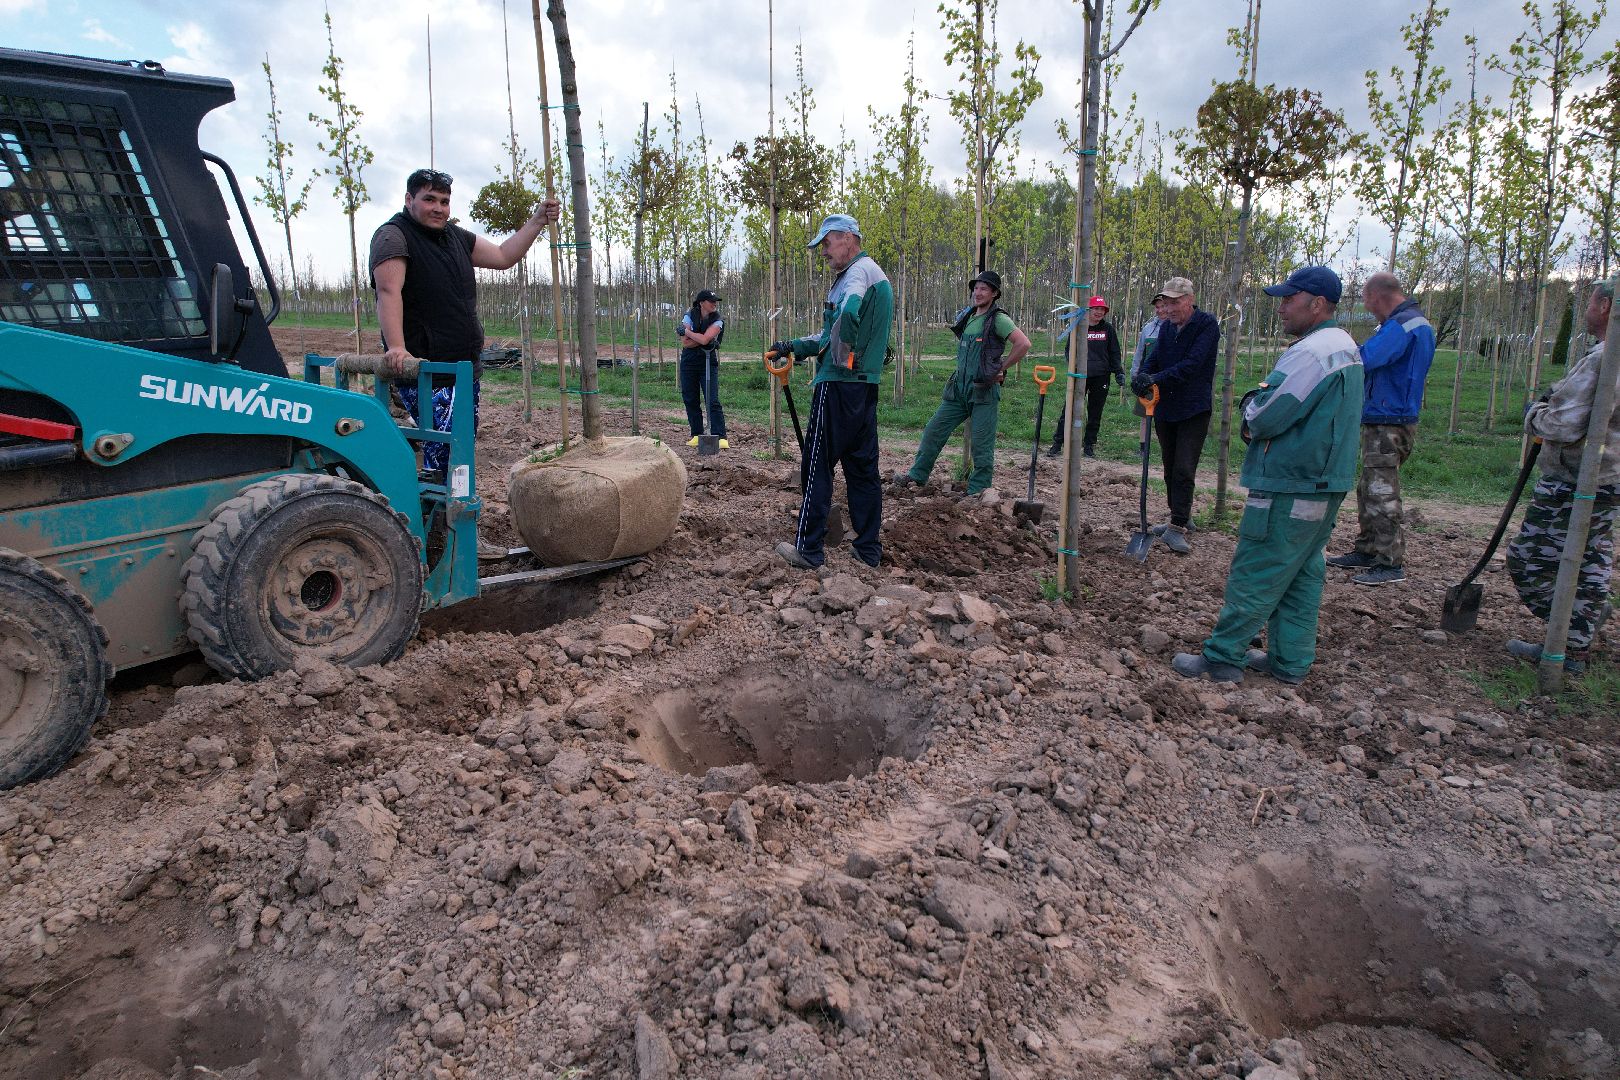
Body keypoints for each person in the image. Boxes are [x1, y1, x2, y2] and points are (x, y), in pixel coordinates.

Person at [1172, 266, 1364, 685]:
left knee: (1257, 568)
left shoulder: (1310, 353)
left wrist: (1248, 406)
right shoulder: (1344, 345)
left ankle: (1222, 658)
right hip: (1324, 481)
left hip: (1290, 481)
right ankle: (1289, 662)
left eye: (1289, 299)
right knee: (1300, 575)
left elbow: (1265, 414)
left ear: (1317, 304)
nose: (1281, 308)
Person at [369, 168, 559, 488]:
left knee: (459, 452)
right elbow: (389, 292)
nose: (438, 208)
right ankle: (441, 522)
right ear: (408, 199)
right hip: (426, 370)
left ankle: (454, 517)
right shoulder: (394, 236)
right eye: (429, 199)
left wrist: (537, 220)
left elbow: (502, 256)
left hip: (463, 369)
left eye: (444, 201)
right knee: (444, 455)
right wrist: (397, 347)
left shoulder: (455, 237)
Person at [1504, 281, 1618, 676]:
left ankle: (1571, 631)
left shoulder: (1604, 359)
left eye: (1588, 303)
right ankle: (1575, 647)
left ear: (1605, 306)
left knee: (1529, 561)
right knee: (1590, 560)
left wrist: (1534, 413)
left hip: (1577, 480)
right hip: (1610, 478)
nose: (1585, 311)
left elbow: (1563, 425)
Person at [769, 214, 893, 570]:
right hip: (865, 389)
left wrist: (839, 359)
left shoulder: (855, 275)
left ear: (848, 237)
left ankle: (808, 549)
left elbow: (848, 317)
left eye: (826, 243)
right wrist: (792, 345)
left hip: (838, 387)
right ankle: (868, 549)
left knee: (817, 466)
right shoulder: (873, 273)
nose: (823, 251)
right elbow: (830, 334)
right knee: (862, 470)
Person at [1325, 271, 1436, 586]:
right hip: (1387, 416)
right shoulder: (1413, 322)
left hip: (1389, 419)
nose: (1367, 306)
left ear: (1377, 296)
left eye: (1365, 299)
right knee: (1369, 486)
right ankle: (1368, 549)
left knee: (1381, 491)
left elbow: (1366, 359)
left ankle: (1389, 561)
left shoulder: (1402, 326)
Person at [896, 270, 1031, 492]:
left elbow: (1023, 344)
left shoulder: (998, 319)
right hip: (958, 390)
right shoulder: (969, 316)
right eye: (976, 288)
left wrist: (1001, 368)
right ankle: (917, 475)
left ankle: (977, 491)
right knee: (933, 430)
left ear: (995, 293)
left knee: (981, 445)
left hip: (983, 390)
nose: (978, 293)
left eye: (984, 289)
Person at [1129, 277, 1220, 554]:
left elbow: (1191, 365)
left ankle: (1177, 527)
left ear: (1189, 300)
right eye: (1166, 303)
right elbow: (1154, 357)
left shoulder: (1206, 326)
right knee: (1170, 467)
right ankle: (1180, 516)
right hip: (1165, 407)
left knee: (1183, 467)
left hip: (1193, 408)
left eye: (1175, 302)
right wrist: (1142, 376)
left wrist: (1155, 377)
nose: (1169, 308)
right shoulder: (1167, 328)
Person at [1047, 294, 1122, 458]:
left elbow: (1114, 351)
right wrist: (1072, 366)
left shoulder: (1107, 329)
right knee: (1069, 410)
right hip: (1079, 375)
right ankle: (1057, 444)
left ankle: (1089, 445)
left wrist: (1118, 372)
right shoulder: (1078, 327)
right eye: (1096, 308)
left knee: (1095, 412)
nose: (1099, 312)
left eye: (1102, 309)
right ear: (1088, 310)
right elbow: (1069, 350)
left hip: (1101, 376)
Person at [677, 288, 728, 449]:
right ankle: (696, 434)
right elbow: (686, 343)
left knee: (712, 399)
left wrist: (687, 332)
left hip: (708, 360)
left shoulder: (718, 320)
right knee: (690, 398)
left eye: (715, 301)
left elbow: (705, 340)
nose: (714, 304)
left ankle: (720, 436)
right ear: (701, 303)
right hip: (689, 361)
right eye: (711, 301)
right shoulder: (689, 315)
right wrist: (703, 338)